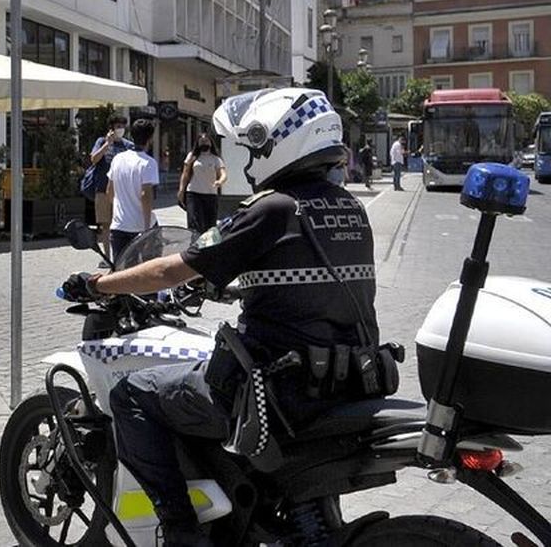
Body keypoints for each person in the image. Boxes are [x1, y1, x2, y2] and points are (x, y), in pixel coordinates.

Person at [60, 88, 384, 546]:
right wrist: (229, 284)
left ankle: (180, 528)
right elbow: (298, 281)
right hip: (345, 380)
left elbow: (172, 268)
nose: (250, 162)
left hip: (275, 388)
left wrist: (98, 283)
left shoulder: (271, 210)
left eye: (255, 149)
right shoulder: (351, 209)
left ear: (279, 144)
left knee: (133, 394)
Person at [105, 118, 159, 263]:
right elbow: (145, 195)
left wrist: (118, 210)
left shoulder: (118, 159)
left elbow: (109, 191)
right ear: (150, 138)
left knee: (121, 272)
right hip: (139, 226)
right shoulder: (148, 163)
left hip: (119, 225)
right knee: (147, 270)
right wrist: (147, 229)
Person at [86, 114, 132, 251]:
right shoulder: (101, 142)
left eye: (123, 126)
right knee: (106, 225)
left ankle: (122, 254)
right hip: (103, 189)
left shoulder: (128, 145)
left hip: (122, 191)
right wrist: (107, 144)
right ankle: (107, 255)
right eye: (118, 126)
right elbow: (94, 159)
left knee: (121, 224)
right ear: (111, 128)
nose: (121, 129)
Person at [176, 133, 226, 234]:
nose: (204, 143)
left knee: (210, 226)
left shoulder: (216, 159)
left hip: (210, 195)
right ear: (197, 143)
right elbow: (185, 174)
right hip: (193, 194)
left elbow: (223, 174)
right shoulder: (192, 156)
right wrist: (181, 190)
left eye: (206, 141)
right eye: (202, 141)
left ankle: (208, 248)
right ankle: (194, 246)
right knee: (194, 223)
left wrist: (220, 181)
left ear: (211, 143)